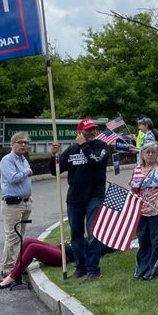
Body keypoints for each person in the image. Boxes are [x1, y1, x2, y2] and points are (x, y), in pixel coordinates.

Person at [50, 118, 110, 282]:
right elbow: (55, 171)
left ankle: (93, 269)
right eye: (88, 130)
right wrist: (54, 156)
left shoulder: (101, 147)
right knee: (76, 234)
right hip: (74, 198)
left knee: (93, 233)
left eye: (93, 129)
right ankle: (80, 267)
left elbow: (95, 160)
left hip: (94, 196)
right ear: (79, 132)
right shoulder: (71, 150)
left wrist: (84, 145)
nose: (92, 132)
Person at [130, 142, 158, 280]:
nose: (150, 154)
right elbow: (133, 189)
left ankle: (154, 269)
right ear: (142, 154)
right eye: (147, 152)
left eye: (153, 152)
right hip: (141, 211)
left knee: (157, 240)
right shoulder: (137, 169)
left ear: (157, 155)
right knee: (143, 240)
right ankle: (142, 268)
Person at [0, 132, 34, 281]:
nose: (23, 145)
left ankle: (18, 265)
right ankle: (7, 268)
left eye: (25, 143)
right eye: (20, 142)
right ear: (12, 144)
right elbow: (12, 178)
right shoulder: (7, 160)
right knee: (12, 236)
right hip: (12, 203)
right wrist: (26, 172)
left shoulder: (24, 160)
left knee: (21, 236)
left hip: (25, 202)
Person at [0, 239, 75, 290]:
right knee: (27, 241)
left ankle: (12, 277)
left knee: (33, 247)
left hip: (64, 256)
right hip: (60, 247)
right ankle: (15, 271)